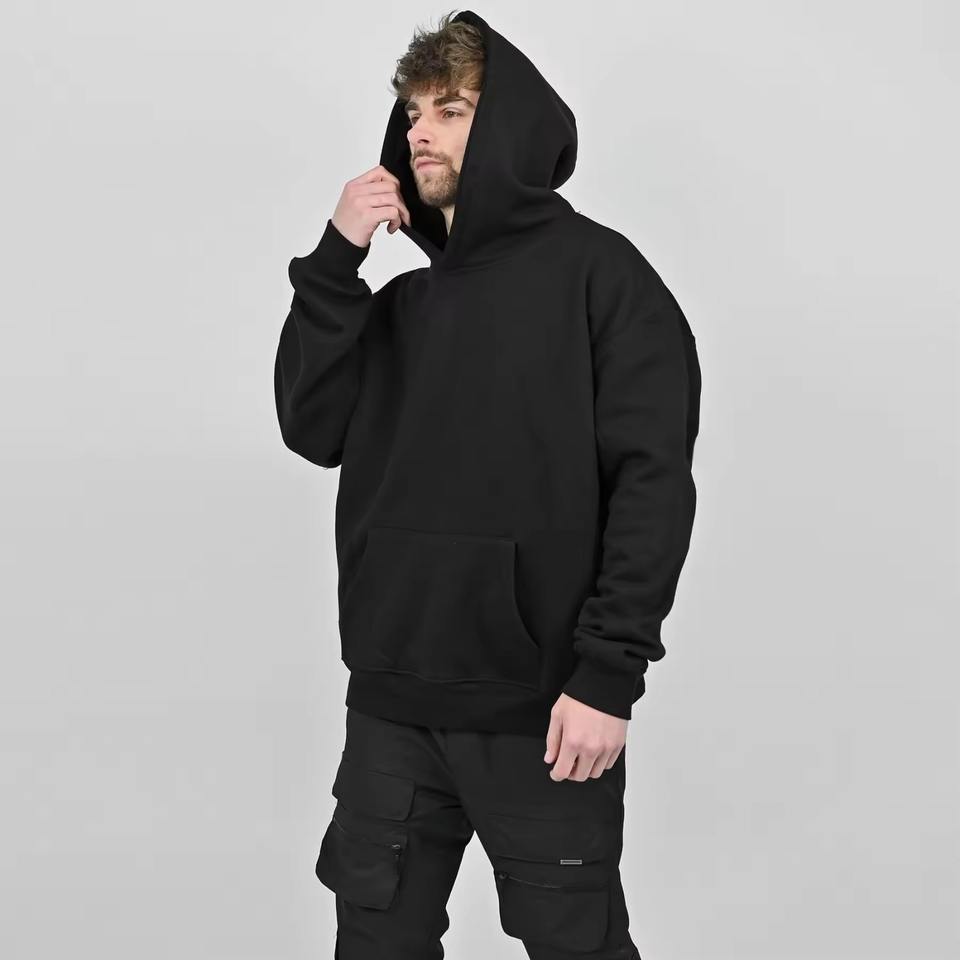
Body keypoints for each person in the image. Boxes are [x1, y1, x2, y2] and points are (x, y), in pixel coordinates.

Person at [274, 9, 700, 959]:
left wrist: (608, 678)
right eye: (412, 112)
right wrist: (336, 260)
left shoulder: (605, 280)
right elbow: (310, 427)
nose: (419, 132)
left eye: (451, 109)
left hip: (543, 714)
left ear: (508, 125)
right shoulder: (401, 305)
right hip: (392, 704)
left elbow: (653, 487)